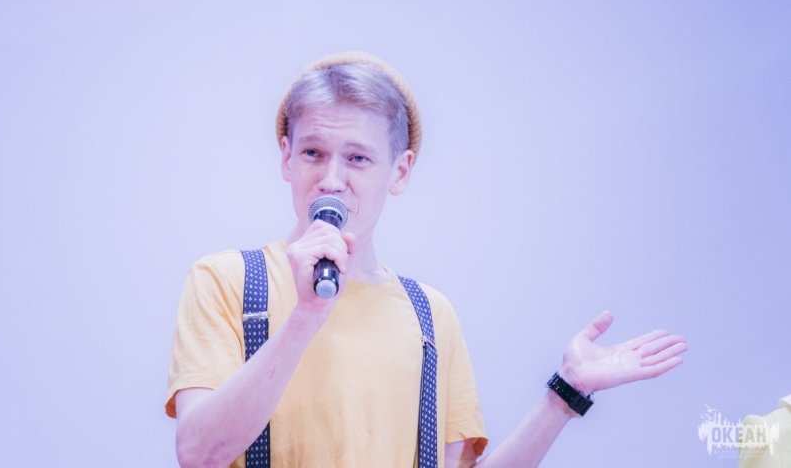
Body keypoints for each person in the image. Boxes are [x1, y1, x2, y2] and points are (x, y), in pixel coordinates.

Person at [165, 51, 688, 467]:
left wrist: (564, 395)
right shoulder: (228, 281)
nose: (331, 178)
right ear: (286, 156)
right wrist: (307, 313)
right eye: (313, 153)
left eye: (357, 158)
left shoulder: (429, 316)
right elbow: (198, 453)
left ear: (400, 171)